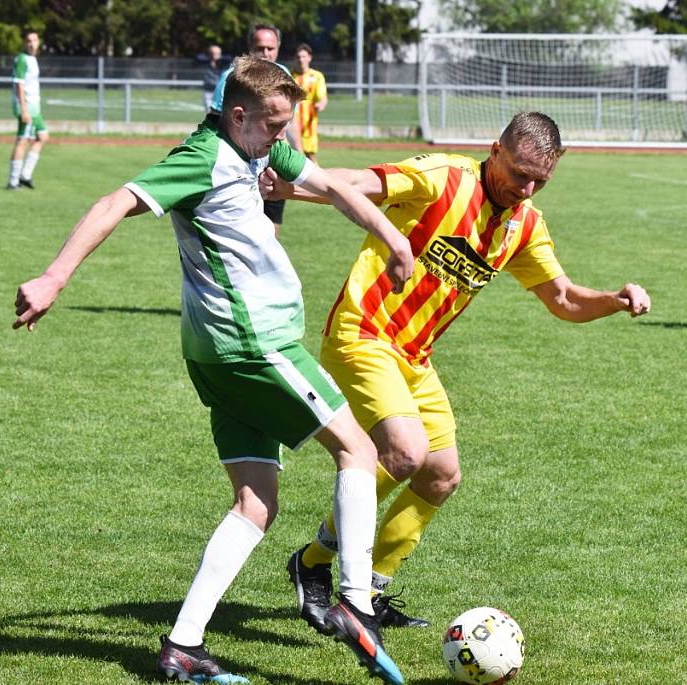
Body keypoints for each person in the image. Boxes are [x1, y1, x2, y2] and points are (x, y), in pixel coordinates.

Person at [12, 56, 413, 685]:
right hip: (254, 346)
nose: (284, 135)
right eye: (275, 123)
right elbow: (115, 201)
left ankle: (183, 645)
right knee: (359, 452)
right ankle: (356, 599)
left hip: (213, 355)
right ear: (238, 115)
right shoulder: (202, 158)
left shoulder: (260, 149)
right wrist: (54, 276)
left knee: (255, 504)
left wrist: (393, 238)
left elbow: (333, 186)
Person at [263, 111, 652, 634]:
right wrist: (288, 185)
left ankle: (364, 585)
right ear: (494, 149)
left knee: (441, 475)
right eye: (519, 173)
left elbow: (562, 299)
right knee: (405, 452)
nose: (527, 188)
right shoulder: (443, 176)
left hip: (415, 357)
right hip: (364, 335)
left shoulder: (524, 224)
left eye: (540, 180)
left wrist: (614, 300)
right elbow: (362, 184)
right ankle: (318, 565)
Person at [210, 23, 302, 235]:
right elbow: (215, 120)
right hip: (241, 165)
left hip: (274, 162)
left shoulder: (285, 75)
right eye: (260, 48)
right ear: (250, 48)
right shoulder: (232, 78)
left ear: (278, 47)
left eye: (271, 48)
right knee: (241, 228)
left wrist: (300, 155)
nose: (265, 53)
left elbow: (291, 123)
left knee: (272, 227)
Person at [6, 28, 49, 190]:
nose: (32, 44)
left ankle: (25, 175)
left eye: (35, 40)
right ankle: (13, 181)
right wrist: (24, 110)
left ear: (38, 42)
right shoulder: (22, 59)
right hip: (27, 107)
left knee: (43, 137)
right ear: (25, 43)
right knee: (22, 141)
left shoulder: (32, 59)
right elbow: (19, 84)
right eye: (29, 41)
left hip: (34, 108)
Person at [292, 43, 328, 163]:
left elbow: (322, 97)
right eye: (298, 57)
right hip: (292, 123)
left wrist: (321, 104)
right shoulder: (290, 76)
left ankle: (320, 181)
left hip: (309, 124)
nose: (301, 59)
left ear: (309, 57)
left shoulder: (317, 76)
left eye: (304, 56)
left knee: (310, 157)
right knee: (293, 157)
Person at [201, 44, 225, 112]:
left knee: (219, 113)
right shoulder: (205, 62)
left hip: (219, 92)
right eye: (214, 53)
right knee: (210, 112)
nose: (216, 55)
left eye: (218, 53)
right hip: (208, 91)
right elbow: (197, 57)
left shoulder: (223, 63)